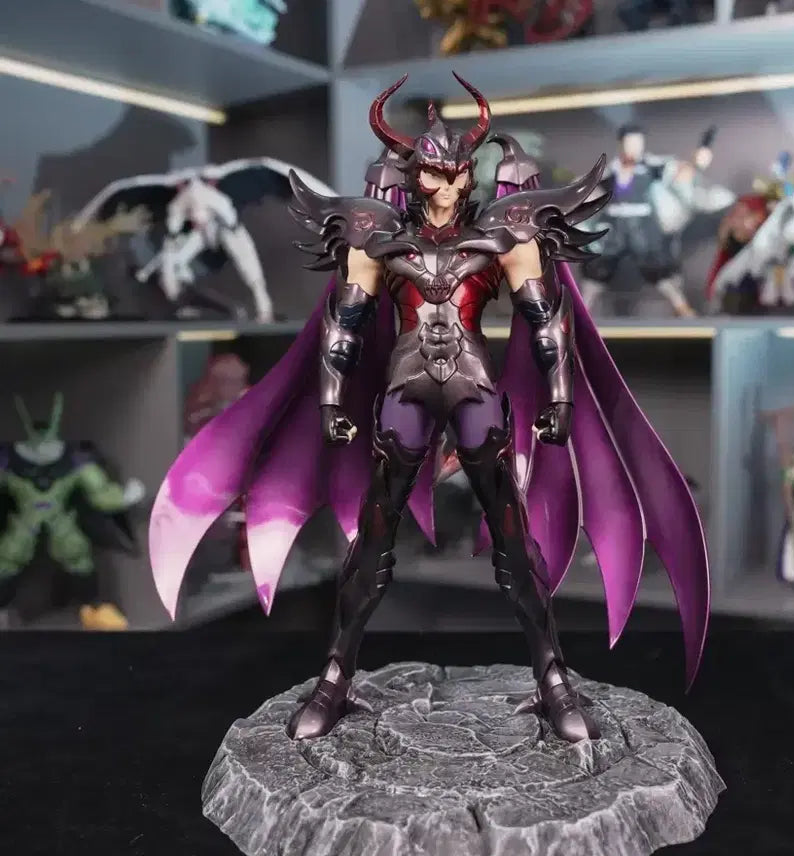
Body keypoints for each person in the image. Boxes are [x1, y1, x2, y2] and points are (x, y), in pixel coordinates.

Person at [148, 74, 710, 747]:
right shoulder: (377, 237)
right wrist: (330, 400)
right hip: (404, 392)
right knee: (374, 536)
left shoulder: (505, 235)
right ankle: (336, 675)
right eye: (431, 173)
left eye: (455, 172)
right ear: (412, 177)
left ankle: (552, 676)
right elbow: (343, 326)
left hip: (474, 390)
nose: (444, 185)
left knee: (512, 536)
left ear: (470, 174)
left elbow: (546, 322)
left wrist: (560, 395)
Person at [580, 124, 716, 317]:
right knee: (597, 269)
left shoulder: (652, 166)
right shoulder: (609, 171)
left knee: (660, 268)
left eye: (638, 143)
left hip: (644, 229)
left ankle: (681, 308)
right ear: (621, 144)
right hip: (613, 228)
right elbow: (592, 192)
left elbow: (680, 172)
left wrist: (695, 163)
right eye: (630, 143)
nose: (634, 148)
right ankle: (581, 311)